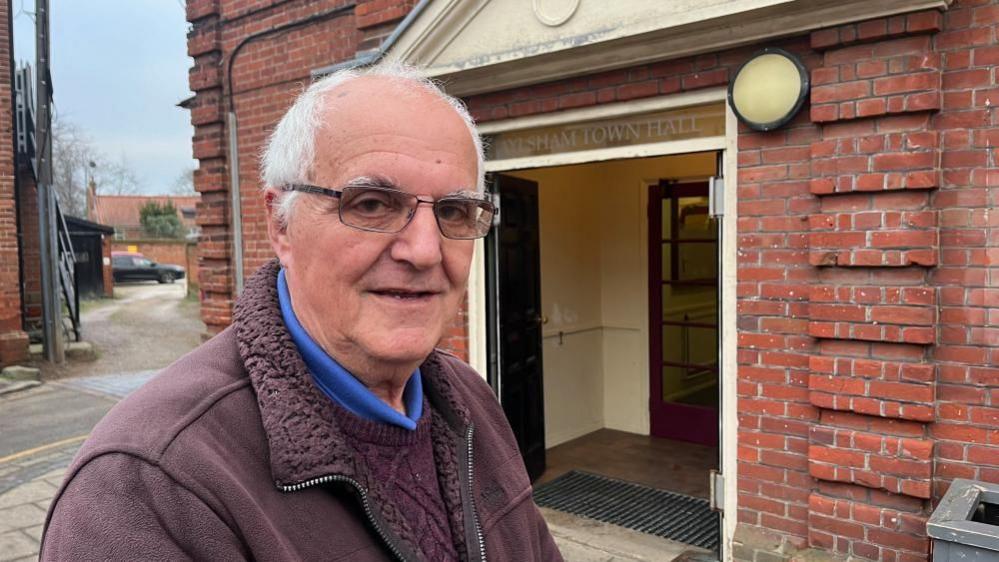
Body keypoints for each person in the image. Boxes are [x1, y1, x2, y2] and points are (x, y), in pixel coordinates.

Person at [40, 64, 563, 561]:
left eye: (452, 210)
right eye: (372, 203)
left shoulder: (469, 400)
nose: (425, 251)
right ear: (281, 226)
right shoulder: (147, 492)